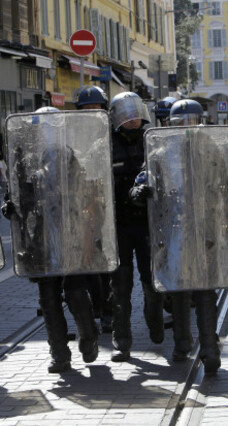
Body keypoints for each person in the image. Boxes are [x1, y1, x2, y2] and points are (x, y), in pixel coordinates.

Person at [2, 106, 99, 373]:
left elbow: (81, 191)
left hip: (70, 232)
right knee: (48, 299)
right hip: (42, 235)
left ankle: (89, 336)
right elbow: (21, 196)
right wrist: (12, 206)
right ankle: (59, 354)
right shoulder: (26, 157)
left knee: (76, 292)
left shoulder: (68, 155)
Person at [130, 99, 221, 374]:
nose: (186, 129)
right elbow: (142, 179)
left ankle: (209, 347)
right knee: (179, 287)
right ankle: (182, 342)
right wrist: (138, 192)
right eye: (180, 124)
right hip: (173, 227)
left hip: (204, 226)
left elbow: (226, 181)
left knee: (205, 289)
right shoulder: (160, 149)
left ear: (200, 123)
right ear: (170, 125)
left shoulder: (210, 148)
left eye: (191, 123)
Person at [108, 92, 163, 362]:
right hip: (118, 224)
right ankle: (122, 339)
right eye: (126, 116)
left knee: (151, 281)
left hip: (146, 224)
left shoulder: (151, 140)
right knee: (121, 285)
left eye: (136, 115)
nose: (132, 120)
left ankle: (154, 320)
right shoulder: (106, 143)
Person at [73, 85, 114, 334]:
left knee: (105, 260)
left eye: (95, 107)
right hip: (81, 204)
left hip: (105, 205)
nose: (91, 111)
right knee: (86, 260)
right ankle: (96, 309)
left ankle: (107, 311)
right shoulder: (74, 133)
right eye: (86, 108)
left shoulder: (110, 134)